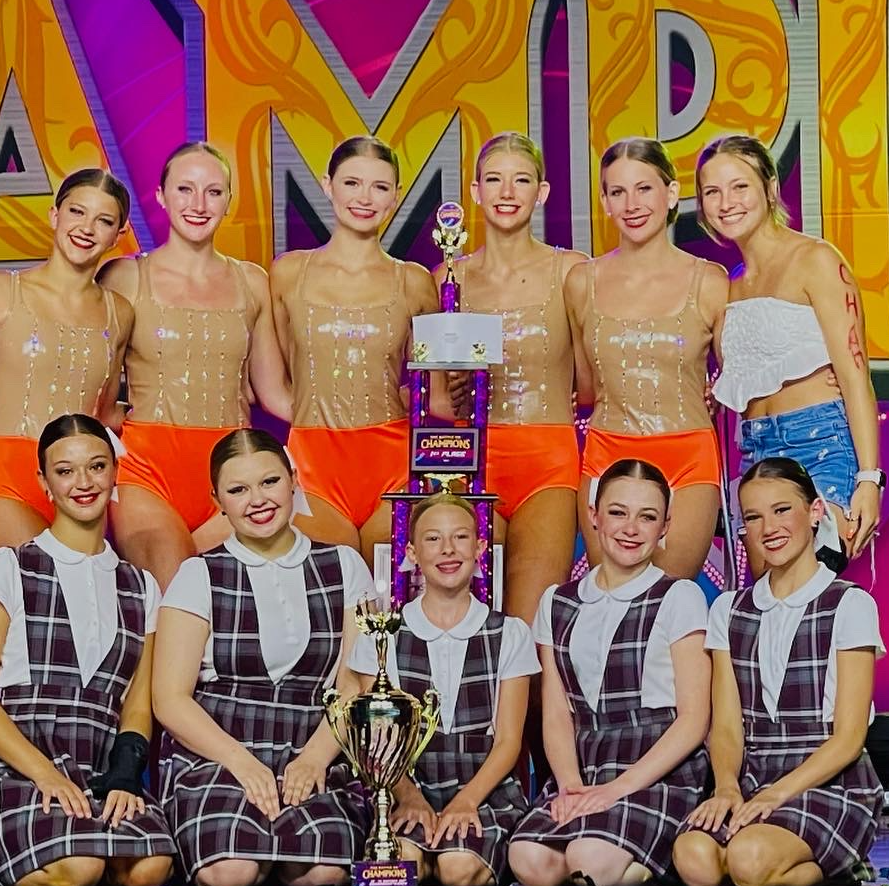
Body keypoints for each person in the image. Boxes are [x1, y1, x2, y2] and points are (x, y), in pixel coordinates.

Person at [0, 415, 176, 886]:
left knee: (150, 868)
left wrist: (124, 778)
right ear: (43, 482)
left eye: (96, 467)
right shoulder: (9, 566)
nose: (83, 483)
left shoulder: (141, 587)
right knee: (82, 871)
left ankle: (75, 846)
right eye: (65, 471)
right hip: (9, 766)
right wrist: (45, 774)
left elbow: (135, 707)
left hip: (92, 768)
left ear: (115, 472)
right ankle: (8, 855)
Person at [153, 428, 374, 886]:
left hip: (313, 744)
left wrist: (314, 759)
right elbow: (170, 700)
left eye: (269, 482)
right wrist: (242, 762)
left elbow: (356, 684)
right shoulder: (199, 574)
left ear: (294, 480)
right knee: (229, 872)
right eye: (238, 490)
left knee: (322, 872)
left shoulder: (345, 565)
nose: (257, 500)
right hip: (219, 752)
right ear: (217, 499)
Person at [672, 457, 884, 886]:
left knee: (748, 861)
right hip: (755, 772)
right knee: (694, 861)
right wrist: (728, 786)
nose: (769, 526)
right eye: (754, 516)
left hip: (827, 779)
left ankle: (841, 865)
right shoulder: (729, 611)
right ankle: (773, 860)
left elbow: (848, 739)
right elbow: (728, 725)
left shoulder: (849, 604)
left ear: (814, 512)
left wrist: (776, 795)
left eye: (782, 509)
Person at [507, 459, 711, 886]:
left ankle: (661, 862)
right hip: (586, 766)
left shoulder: (679, 597)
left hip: (656, 770)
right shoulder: (557, 602)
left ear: (665, 528)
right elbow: (559, 713)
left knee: (587, 859)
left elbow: (694, 720)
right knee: (527, 860)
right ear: (594, 517)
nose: (630, 528)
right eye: (618, 512)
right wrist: (569, 787)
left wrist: (616, 790)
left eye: (647, 516)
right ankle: (620, 849)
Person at [100, 142, 289, 587]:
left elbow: (275, 393)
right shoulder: (124, 278)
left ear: (229, 201)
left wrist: (380, 407)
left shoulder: (251, 281)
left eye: (213, 192)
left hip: (235, 469)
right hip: (148, 470)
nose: (199, 205)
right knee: (173, 586)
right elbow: (89, 380)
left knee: (232, 606)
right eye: (185, 189)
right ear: (161, 196)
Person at [699, 134, 883, 573]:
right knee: (771, 609)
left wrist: (870, 479)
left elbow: (856, 376)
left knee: (809, 593)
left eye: (739, 186)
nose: (727, 202)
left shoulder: (815, 259)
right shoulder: (730, 284)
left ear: (769, 186)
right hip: (754, 452)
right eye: (712, 192)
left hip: (818, 441)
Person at [430, 132, 587, 623]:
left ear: (541, 192)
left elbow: (593, 383)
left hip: (548, 462)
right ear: (475, 191)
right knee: (461, 623)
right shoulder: (446, 277)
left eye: (521, 181)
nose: (506, 192)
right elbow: (433, 402)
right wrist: (456, 394)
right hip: (470, 460)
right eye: (494, 180)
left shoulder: (572, 271)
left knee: (528, 626)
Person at [350, 493, 536, 886]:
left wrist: (467, 800)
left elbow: (507, 742)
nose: (448, 550)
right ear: (413, 553)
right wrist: (409, 797)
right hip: (408, 782)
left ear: (480, 548)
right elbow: (377, 740)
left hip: (483, 788)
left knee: (457, 869)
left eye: (461, 538)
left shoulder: (510, 633)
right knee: (405, 864)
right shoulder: (383, 632)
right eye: (433, 539)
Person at [269, 136, 440, 563]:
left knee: (391, 604)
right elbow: (272, 384)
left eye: (380, 187)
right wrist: (321, 411)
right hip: (313, 462)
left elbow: (433, 393)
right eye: (352, 183)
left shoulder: (417, 281)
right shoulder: (289, 273)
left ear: (397, 195)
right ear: (327, 185)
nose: (365, 198)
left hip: (393, 461)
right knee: (333, 604)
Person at [566, 138, 729, 581]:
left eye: (644, 189)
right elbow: (584, 387)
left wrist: (719, 388)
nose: (631, 204)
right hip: (607, 452)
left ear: (671, 194)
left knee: (670, 603)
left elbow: (737, 377)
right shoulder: (582, 282)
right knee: (612, 603)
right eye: (617, 192)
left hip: (687, 454)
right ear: (603, 200)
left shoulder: (710, 281)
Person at [0, 168, 136, 556]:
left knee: (83, 604)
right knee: (42, 581)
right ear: (54, 216)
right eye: (77, 212)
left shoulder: (119, 313)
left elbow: (106, 413)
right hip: (5, 472)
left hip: (83, 480)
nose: (87, 228)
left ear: (118, 235)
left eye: (104, 220)